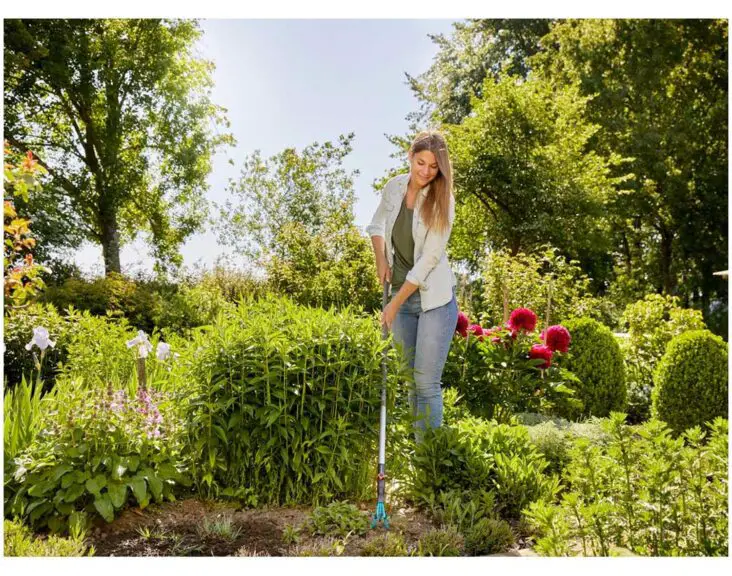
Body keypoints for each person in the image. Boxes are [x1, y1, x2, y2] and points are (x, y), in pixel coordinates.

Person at [366, 131, 458, 442]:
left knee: (426, 383)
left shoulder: (442, 201)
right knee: (408, 381)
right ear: (410, 156)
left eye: (434, 167)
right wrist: (381, 257)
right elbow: (377, 225)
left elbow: (428, 261)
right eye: (421, 162)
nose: (426, 172)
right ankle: (418, 457)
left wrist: (393, 303)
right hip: (401, 298)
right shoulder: (394, 187)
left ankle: (429, 463)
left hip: (433, 300)